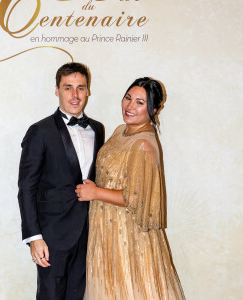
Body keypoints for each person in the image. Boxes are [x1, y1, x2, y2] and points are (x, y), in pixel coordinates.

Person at [76, 77, 185, 299]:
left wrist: (95, 193)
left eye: (140, 102)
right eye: (128, 98)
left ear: (154, 109)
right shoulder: (120, 131)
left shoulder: (143, 144)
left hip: (127, 235)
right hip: (105, 229)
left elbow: (138, 199)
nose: (129, 106)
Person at [18, 62, 105, 300]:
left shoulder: (98, 129)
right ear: (57, 90)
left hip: (89, 232)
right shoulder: (40, 131)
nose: (75, 95)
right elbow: (27, 188)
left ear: (88, 90)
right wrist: (34, 238)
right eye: (68, 88)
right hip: (52, 235)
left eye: (80, 87)